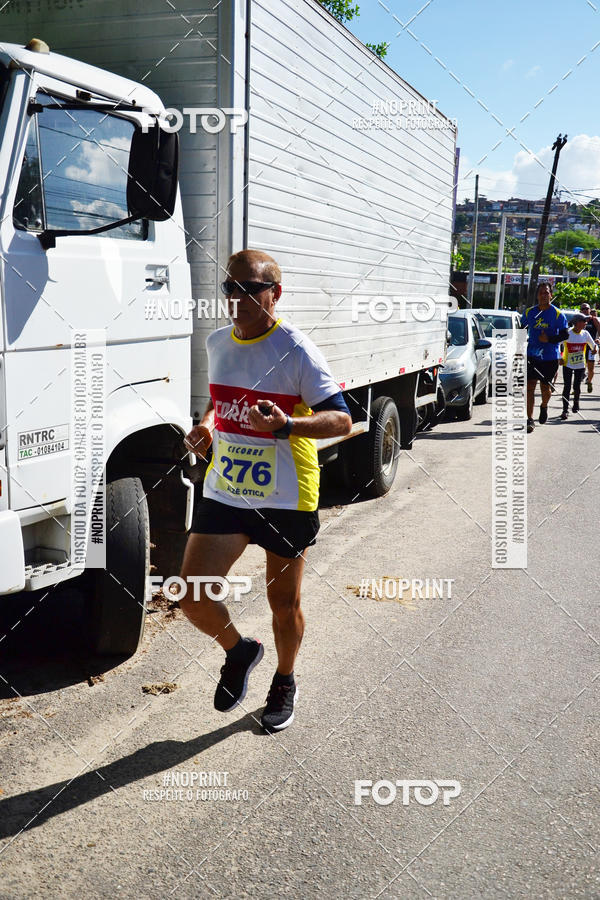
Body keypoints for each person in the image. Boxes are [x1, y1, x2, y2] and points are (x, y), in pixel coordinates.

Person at [178, 249, 352, 732]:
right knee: (192, 594)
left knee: (283, 605)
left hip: (285, 495)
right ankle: (240, 652)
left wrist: (287, 426)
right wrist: (207, 426)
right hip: (227, 487)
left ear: (275, 293)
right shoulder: (217, 343)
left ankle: (284, 678)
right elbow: (219, 405)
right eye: (229, 288)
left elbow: (342, 420)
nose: (237, 298)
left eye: (249, 288)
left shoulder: (296, 349)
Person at [520, 282, 569, 433]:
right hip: (532, 356)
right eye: (541, 292)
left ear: (551, 295)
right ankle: (529, 419)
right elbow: (521, 331)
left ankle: (544, 406)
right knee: (529, 388)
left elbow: (565, 334)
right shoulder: (529, 313)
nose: (543, 295)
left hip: (550, 357)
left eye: (546, 292)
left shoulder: (558, 314)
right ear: (537, 295)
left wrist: (549, 339)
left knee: (545, 387)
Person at [559, 313, 597, 419]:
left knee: (576, 386)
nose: (585, 323)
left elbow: (593, 344)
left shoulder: (585, 333)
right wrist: (559, 357)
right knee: (567, 386)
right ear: (576, 322)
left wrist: (595, 349)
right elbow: (557, 344)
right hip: (567, 363)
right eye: (583, 321)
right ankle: (565, 410)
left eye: (586, 321)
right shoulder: (568, 333)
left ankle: (576, 403)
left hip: (580, 364)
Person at [579, 302, 600, 392]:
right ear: (580, 311)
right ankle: (577, 387)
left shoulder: (594, 320)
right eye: (583, 309)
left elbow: (599, 331)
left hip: (591, 346)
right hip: (580, 346)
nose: (585, 310)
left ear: (590, 310)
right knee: (579, 367)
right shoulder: (578, 320)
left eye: (586, 308)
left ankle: (590, 382)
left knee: (590, 368)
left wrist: (598, 339)